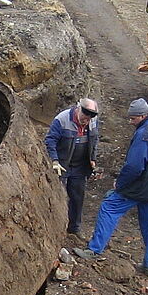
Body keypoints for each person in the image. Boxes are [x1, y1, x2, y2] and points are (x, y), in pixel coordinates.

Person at [76, 98, 148, 279]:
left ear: (143, 116)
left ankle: (94, 250)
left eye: (133, 119)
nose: (131, 122)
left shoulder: (144, 134)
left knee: (109, 206)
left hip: (140, 185)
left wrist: (120, 184)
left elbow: (135, 166)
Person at [43, 97, 100, 236]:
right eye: (84, 116)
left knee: (77, 197)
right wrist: (54, 161)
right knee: (58, 196)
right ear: (79, 108)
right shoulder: (62, 119)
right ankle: (54, 228)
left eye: (89, 118)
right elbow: (50, 140)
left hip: (80, 166)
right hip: (62, 164)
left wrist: (92, 158)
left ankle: (74, 228)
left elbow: (94, 139)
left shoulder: (92, 121)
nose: (86, 120)